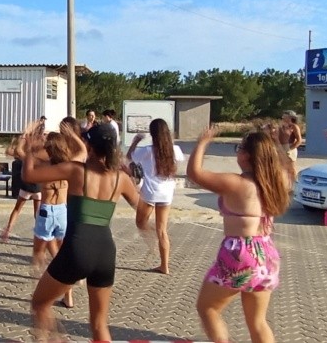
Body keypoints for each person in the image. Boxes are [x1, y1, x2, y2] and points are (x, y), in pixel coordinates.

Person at [22, 123, 139, 341]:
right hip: (106, 252)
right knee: (99, 324)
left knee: (39, 304)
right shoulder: (120, 178)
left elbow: (29, 175)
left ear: (90, 147)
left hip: (78, 249)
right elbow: (142, 209)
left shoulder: (76, 170)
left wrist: (30, 147)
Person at [187, 127, 291, 343]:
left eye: (239, 148)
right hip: (267, 254)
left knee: (208, 308)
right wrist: (276, 145)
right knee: (258, 322)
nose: (237, 152)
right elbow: (285, 166)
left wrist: (203, 142)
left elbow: (195, 174)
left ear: (247, 155)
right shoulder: (276, 180)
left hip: (240, 253)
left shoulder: (236, 183)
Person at [22, 131, 74, 309]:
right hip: (63, 211)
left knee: (38, 254)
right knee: (61, 254)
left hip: (47, 211)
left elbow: (24, 162)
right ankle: (68, 295)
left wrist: (30, 145)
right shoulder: (70, 165)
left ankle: (38, 289)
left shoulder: (45, 165)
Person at [126, 118, 184, 275]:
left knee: (140, 223)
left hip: (150, 192)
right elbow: (176, 165)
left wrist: (135, 140)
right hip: (167, 193)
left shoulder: (147, 151)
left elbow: (129, 156)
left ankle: (151, 236)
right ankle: (165, 265)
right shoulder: (175, 149)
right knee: (162, 230)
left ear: (152, 134)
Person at [1, 135, 41, 241]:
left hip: (26, 185)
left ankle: (8, 230)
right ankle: (38, 235)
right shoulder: (41, 158)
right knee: (37, 212)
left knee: (17, 209)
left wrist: (21, 140)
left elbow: (11, 151)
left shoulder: (26, 156)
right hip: (38, 186)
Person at [278, 110, 303, 181]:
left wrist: (290, 149)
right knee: (281, 168)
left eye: (285, 115)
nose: (283, 117)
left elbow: (299, 140)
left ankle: (295, 183)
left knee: (291, 168)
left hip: (290, 147)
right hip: (281, 147)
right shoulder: (281, 126)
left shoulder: (294, 126)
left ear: (290, 117)